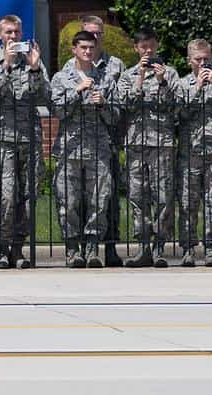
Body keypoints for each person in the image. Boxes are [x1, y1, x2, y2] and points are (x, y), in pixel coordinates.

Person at [0, 15, 48, 269]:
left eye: (17, 32)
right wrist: (6, 66)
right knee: (7, 196)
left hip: (30, 138)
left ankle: (19, 248)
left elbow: (45, 97)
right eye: (8, 32)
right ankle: (2, 248)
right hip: (2, 138)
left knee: (28, 196)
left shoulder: (31, 60)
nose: (13, 37)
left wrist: (35, 69)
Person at [51, 30, 118, 268]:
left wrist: (104, 104)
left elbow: (114, 117)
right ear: (74, 49)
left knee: (99, 200)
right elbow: (58, 111)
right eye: (83, 48)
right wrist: (77, 92)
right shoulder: (61, 78)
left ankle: (92, 248)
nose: (88, 52)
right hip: (69, 149)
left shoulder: (106, 77)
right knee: (68, 201)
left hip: (98, 148)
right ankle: (72, 249)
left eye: (91, 47)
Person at [115, 27, 178, 268]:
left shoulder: (169, 74)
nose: (148, 50)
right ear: (136, 49)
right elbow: (125, 106)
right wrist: (140, 78)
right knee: (137, 197)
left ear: (157, 45)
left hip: (162, 144)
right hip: (136, 144)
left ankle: (159, 247)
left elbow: (176, 108)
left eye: (151, 45)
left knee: (164, 196)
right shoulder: (128, 76)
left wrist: (161, 82)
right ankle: (142, 247)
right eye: (143, 47)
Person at [175, 38, 212, 268]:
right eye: (198, 59)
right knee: (188, 202)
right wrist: (197, 87)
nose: (203, 63)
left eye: (206, 59)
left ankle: (211, 249)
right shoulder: (181, 84)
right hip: (190, 152)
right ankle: (188, 249)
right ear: (190, 61)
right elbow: (178, 114)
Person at [75, 15, 126, 267]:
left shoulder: (115, 65)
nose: (93, 39)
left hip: (109, 139)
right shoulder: (69, 68)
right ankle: (84, 246)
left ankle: (110, 246)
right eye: (88, 33)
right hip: (80, 142)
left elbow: (121, 104)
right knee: (82, 197)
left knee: (108, 197)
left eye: (97, 34)